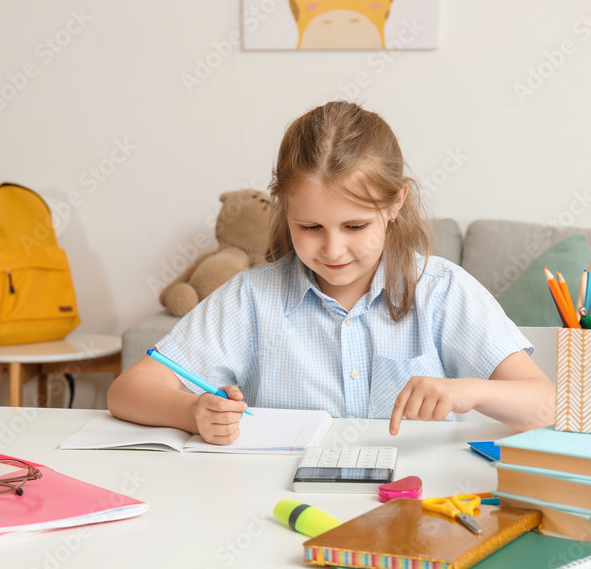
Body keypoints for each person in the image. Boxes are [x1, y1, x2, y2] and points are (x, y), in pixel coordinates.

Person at [108, 101, 555, 444]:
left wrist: (471, 392)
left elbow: (545, 404)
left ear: (395, 203)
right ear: (285, 211)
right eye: (310, 227)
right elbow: (128, 391)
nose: (333, 249)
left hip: (417, 500)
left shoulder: (442, 291)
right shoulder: (252, 297)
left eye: (355, 226)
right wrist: (191, 411)